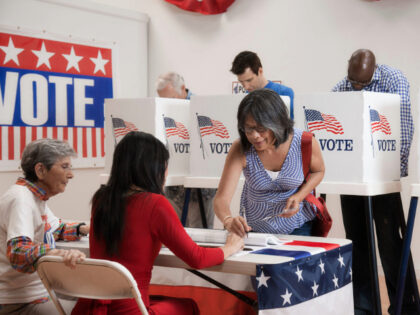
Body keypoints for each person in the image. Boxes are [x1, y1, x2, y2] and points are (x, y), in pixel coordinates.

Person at [72, 131, 244, 315]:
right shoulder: (154, 204)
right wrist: (230, 248)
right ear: (152, 168)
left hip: (90, 309)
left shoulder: (101, 199)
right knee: (188, 306)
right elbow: (197, 258)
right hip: (131, 310)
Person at [332, 49, 416, 315]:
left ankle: (406, 307)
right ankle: (364, 308)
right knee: (356, 241)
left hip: (382, 175)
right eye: (353, 82)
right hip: (352, 178)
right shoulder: (339, 88)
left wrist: (392, 174)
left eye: (362, 84)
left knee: (390, 242)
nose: (356, 87)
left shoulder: (394, 80)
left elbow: (403, 127)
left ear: (375, 70)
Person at [214, 89, 325, 237]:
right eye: (248, 129)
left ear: (278, 123)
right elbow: (221, 198)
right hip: (255, 230)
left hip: (299, 226)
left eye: (261, 128)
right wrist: (228, 220)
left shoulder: (304, 142)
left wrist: (299, 196)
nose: (255, 136)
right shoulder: (241, 148)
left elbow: (318, 171)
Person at [0, 139, 88, 315]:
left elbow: (56, 230)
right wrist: (54, 253)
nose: (71, 175)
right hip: (19, 302)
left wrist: (86, 228)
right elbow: (19, 253)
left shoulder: (35, 198)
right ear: (40, 170)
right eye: (64, 167)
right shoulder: (21, 200)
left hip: (37, 293)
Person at [156, 71, 216, 228]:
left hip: (199, 187)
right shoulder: (161, 109)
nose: (168, 103)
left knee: (200, 234)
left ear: (183, 88)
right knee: (173, 230)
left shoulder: (202, 107)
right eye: (163, 100)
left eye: (172, 98)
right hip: (173, 185)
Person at [230, 51, 295, 119]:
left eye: (249, 80)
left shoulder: (284, 93)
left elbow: (291, 127)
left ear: (260, 71)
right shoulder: (246, 97)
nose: (246, 87)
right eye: (241, 82)